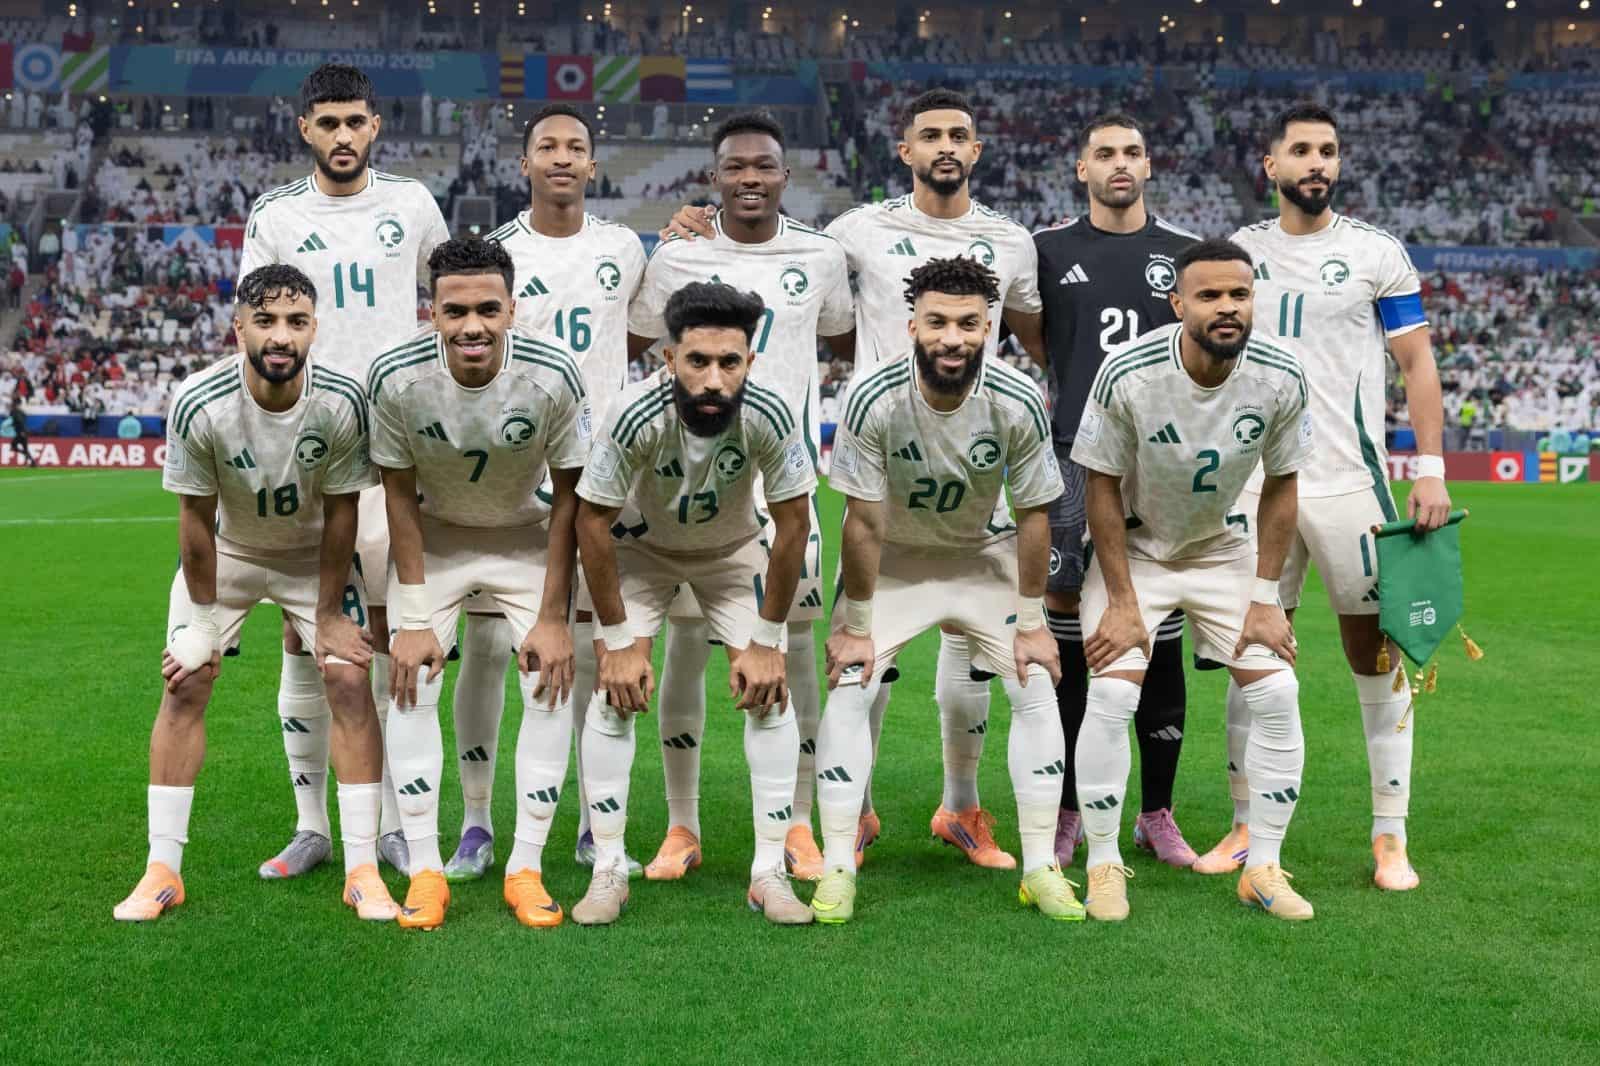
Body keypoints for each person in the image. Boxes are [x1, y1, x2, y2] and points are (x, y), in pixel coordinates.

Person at [667, 87, 1047, 871]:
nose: (946, 146)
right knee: (863, 651)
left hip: (972, 465)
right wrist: (695, 221)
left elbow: (1036, 338)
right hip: (880, 465)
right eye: (930, 135)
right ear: (905, 150)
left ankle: (961, 804)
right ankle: (856, 810)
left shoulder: (1013, 241)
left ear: (977, 150)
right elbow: (811, 301)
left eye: (959, 135)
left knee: (971, 647)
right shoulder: (853, 232)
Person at [1212, 103, 1451, 890]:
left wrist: (1429, 468)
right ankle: (1243, 825)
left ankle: (1391, 836)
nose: (1317, 162)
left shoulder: (1376, 253)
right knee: (1250, 650)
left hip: (1351, 482)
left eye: (1328, 150)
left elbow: (1417, 363)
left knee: (1372, 653)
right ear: (1271, 166)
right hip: (1256, 482)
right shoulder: (1240, 253)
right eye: (1302, 150)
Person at [114, 264, 397, 923]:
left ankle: (361, 869)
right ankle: (162, 869)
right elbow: (194, 518)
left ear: (314, 329)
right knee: (186, 681)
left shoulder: (341, 401)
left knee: (349, 679)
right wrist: (204, 622)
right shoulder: (199, 400)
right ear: (238, 327)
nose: (280, 336)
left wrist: (326, 614)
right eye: (265, 321)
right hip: (230, 553)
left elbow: (344, 514)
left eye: (296, 322)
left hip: (311, 557)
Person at [809, 256, 1076, 924]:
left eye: (967, 324)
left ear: (989, 329)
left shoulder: (1016, 397)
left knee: (1035, 681)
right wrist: (856, 626)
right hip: (896, 558)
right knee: (850, 682)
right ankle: (837, 866)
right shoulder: (872, 395)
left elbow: (1035, 513)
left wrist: (1033, 620)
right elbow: (863, 521)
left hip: (981, 554)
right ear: (912, 327)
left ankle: (1041, 868)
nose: (952, 338)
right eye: (937, 322)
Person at [626, 111, 853, 882]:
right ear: (714, 176)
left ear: (786, 176)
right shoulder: (677, 255)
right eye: (735, 167)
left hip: (784, 488)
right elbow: (635, 344)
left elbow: (843, 337)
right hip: (691, 486)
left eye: (763, 166)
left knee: (795, 653)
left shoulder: (821, 256)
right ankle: (681, 825)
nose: (750, 178)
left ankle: (797, 822)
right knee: (686, 649)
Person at [239, 63, 450, 881]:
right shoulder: (276, 214)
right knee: (303, 636)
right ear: (305, 129)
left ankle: (394, 822)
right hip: (310, 451)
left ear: (375, 126)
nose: (342, 136)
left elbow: (460, 288)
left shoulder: (412, 203)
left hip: (395, 450)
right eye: (327, 123)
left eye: (354, 121)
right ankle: (311, 826)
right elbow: (259, 331)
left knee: (391, 637)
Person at [1069, 238, 1314, 921]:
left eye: (1239, 294)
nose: (1226, 307)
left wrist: (1265, 598)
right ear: (1178, 304)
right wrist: (1121, 601)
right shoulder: (1128, 371)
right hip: (1137, 554)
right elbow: (1099, 484)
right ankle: (1103, 865)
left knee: (1278, 693)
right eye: (1209, 295)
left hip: (1220, 552)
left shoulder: (1281, 374)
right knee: (1111, 696)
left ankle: (1262, 866)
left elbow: (1283, 485)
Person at [366, 237, 592, 930]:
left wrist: (552, 616)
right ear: (431, 313)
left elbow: (571, 497)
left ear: (512, 310)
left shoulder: (553, 372)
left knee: (550, 676)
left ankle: (526, 867)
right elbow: (398, 496)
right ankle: (425, 869)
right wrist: (411, 618)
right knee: (410, 677)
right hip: (435, 538)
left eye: (488, 310)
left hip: (525, 536)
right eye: (456, 311)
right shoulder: (395, 376)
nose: (473, 326)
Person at [572, 282, 815, 926]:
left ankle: (768, 873)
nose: (713, 379)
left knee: (770, 691)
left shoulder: (770, 410)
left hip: (732, 554)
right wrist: (618, 643)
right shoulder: (633, 412)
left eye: (729, 363)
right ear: (668, 359)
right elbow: (591, 521)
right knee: (615, 689)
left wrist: (767, 640)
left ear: (749, 362)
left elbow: (794, 522)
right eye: (697, 361)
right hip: (641, 551)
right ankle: (608, 868)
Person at [1032, 113, 1202, 870]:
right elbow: (1038, 338)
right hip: (1073, 455)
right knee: (1067, 624)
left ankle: (1156, 813)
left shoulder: (1186, 253)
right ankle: (1069, 809)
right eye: (1104, 153)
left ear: (1149, 164)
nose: (1120, 163)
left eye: (1133, 151)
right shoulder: (1046, 250)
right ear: (1083, 169)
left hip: (1158, 463)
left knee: (1160, 622)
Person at [485, 102, 648, 879]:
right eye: (545, 146)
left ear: (592, 164)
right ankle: (477, 823)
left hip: (609, 470)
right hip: (522, 473)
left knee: (603, 643)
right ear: (524, 164)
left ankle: (595, 823)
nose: (560, 156)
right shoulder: (498, 252)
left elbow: (638, 334)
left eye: (574, 146)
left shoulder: (624, 247)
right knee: (497, 650)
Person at [9, 398, 38, 466]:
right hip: (24, 431)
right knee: (25, 448)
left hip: (20, 432)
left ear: (15, 404)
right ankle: (33, 462)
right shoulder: (22, 412)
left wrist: (21, 430)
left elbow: (19, 421)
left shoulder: (15, 411)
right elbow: (22, 419)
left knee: (13, 446)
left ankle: (29, 459)